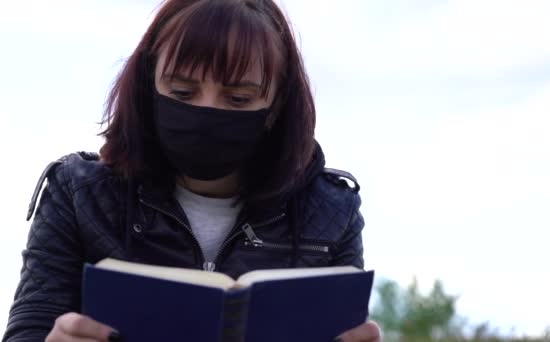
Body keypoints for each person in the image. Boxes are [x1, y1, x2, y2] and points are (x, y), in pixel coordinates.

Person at [3, 0, 381, 341]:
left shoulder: (331, 213)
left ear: (276, 105)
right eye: (182, 93)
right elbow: (30, 328)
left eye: (238, 98)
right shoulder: (78, 194)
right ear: (149, 84)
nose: (207, 111)